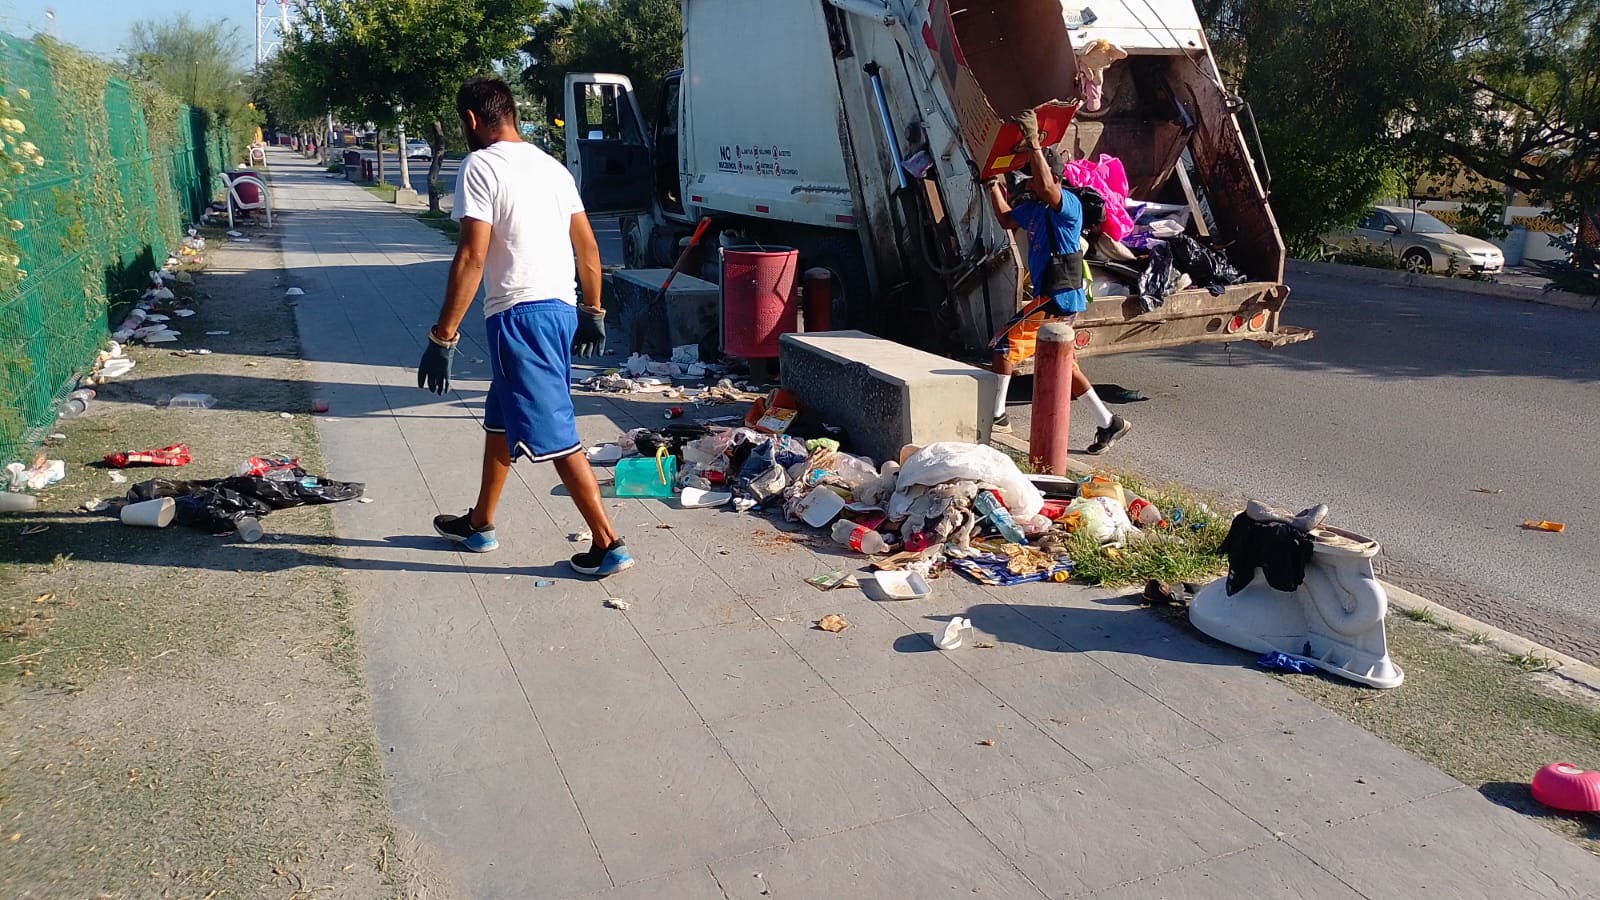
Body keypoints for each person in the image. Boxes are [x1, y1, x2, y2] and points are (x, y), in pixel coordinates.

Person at [416, 77, 632, 578]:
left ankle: (608, 542)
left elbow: (472, 256)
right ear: (511, 113)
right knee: (501, 416)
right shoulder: (552, 167)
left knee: (553, 429)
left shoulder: (480, 166)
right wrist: (593, 311)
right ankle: (480, 523)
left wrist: (442, 335)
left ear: (471, 120)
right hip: (558, 309)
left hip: (519, 315)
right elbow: (588, 248)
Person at [986, 113, 1130, 456]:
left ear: (1052, 177)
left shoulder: (1068, 205)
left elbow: (1049, 189)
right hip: (1055, 296)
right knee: (1067, 366)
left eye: (1033, 176)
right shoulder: (1033, 209)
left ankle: (997, 417)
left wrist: (1035, 143)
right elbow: (1006, 217)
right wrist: (991, 185)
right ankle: (1110, 422)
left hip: (1058, 296)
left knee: (1003, 347)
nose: (1028, 182)